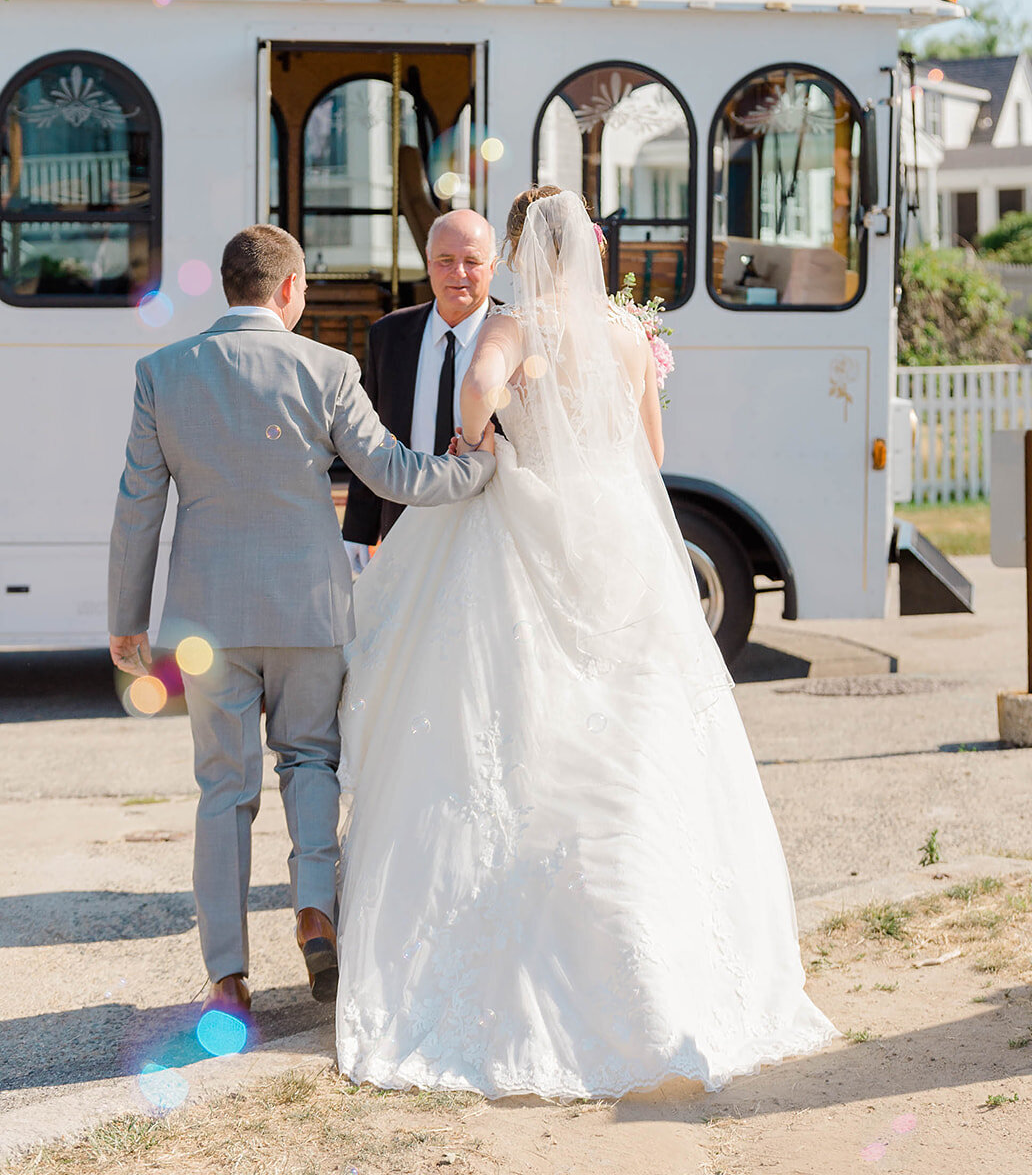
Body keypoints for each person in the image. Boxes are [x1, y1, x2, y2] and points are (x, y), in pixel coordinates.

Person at [334, 188, 836, 1100]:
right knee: (633, 730)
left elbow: (479, 392)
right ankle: (659, 951)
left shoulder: (516, 329)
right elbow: (646, 452)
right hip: (616, 534)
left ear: (521, 253)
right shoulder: (626, 338)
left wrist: (477, 433)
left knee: (512, 723)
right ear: (591, 251)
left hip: (522, 529)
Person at [107, 224, 496, 1017]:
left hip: (204, 620)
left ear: (230, 287)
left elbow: (137, 508)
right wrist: (478, 466)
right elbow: (390, 473)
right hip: (310, 608)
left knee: (223, 788)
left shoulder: (162, 373)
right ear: (289, 289)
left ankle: (226, 974)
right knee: (311, 762)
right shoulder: (328, 367)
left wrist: (126, 619)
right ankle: (314, 913)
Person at [342, 209, 499, 571]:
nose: (458, 273)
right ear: (428, 264)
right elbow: (369, 438)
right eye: (445, 260)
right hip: (404, 527)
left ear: (493, 266)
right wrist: (358, 529)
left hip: (484, 531)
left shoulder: (513, 335)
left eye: (472, 261)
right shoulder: (389, 335)